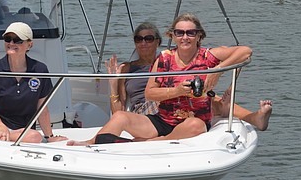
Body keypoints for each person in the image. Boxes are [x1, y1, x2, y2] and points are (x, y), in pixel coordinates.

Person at [69, 13, 253, 145]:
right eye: (179, 33)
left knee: (196, 125)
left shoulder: (208, 56)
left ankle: (153, 142)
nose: (185, 37)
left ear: (199, 35)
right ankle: (92, 142)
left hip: (191, 122)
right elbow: (149, 93)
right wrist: (178, 90)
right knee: (120, 117)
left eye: (190, 33)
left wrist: (216, 70)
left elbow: (245, 51)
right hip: (163, 120)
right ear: (172, 36)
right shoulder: (164, 58)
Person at [106, 21, 271, 129]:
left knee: (205, 95)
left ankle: (253, 118)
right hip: (147, 108)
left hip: (179, 97)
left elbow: (244, 52)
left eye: (148, 38)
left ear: (158, 41)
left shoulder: (168, 60)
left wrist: (217, 71)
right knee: (203, 98)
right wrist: (113, 84)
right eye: (138, 39)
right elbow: (118, 111)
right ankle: (226, 110)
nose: (143, 43)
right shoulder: (127, 68)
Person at [0, 22, 64, 143]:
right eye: (8, 39)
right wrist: (1, 127)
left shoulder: (40, 70)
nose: (11, 43)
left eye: (18, 40)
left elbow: (42, 109)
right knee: (32, 137)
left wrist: (49, 137)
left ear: (29, 44)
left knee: (34, 137)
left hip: (22, 129)